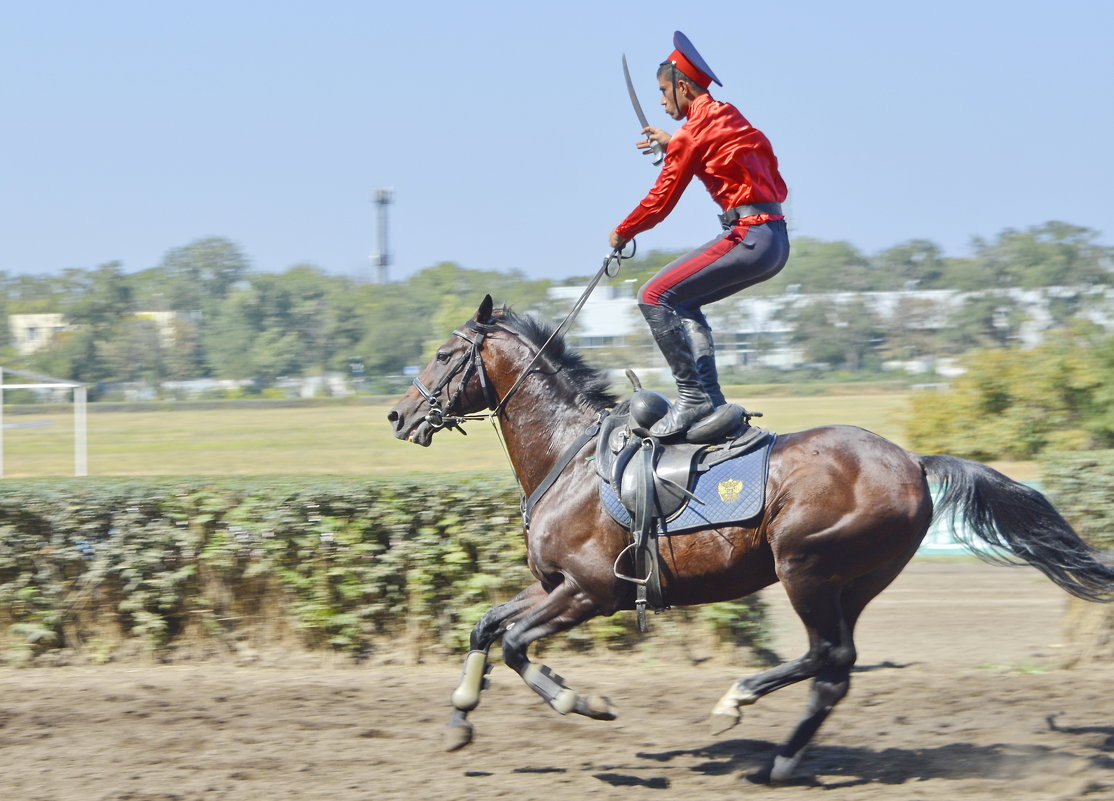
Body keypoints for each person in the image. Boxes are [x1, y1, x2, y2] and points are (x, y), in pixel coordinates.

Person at [610, 31, 790, 439]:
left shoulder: (693, 134)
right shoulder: (725, 114)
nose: (660, 101)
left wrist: (622, 232)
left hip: (750, 236)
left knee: (653, 295)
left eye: (662, 91)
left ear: (683, 86)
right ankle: (708, 399)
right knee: (684, 303)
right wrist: (674, 142)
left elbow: (660, 202)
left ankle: (694, 399)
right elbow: (718, 150)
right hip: (774, 240)